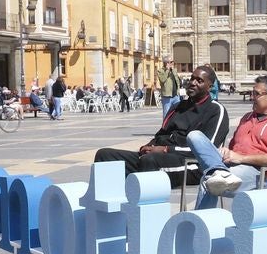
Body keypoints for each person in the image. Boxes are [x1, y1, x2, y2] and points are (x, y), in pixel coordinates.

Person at [93, 65, 228, 178]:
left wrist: (165, 150)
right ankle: (112, 205)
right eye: (192, 78)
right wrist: (147, 147)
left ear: (210, 87)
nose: (193, 83)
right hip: (161, 156)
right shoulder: (178, 107)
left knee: (150, 161)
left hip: (194, 164)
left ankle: (144, 206)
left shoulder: (216, 110)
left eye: (199, 81)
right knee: (105, 156)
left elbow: (208, 151)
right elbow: (161, 135)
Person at [189, 75, 267, 210]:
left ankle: (202, 227)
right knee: (194, 136)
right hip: (232, 166)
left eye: (256, 94)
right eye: (252, 93)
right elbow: (234, 146)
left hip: (262, 175)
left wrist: (242, 158)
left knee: (209, 181)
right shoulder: (247, 118)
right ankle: (220, 171)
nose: (252, 97)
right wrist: (227, 152)